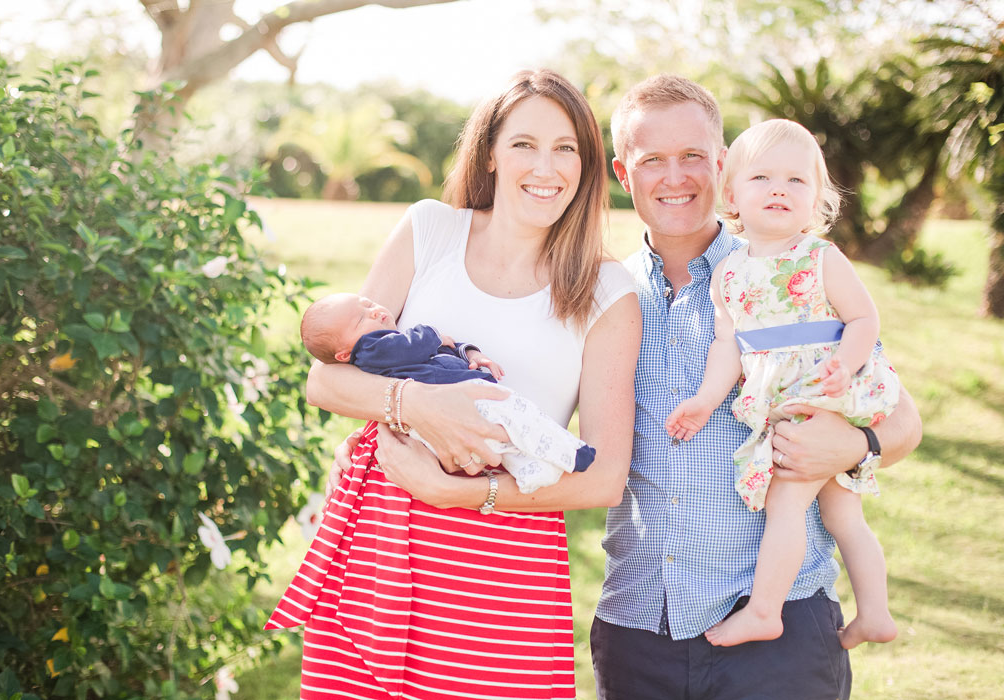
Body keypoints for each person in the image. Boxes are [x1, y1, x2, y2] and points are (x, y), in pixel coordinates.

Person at [266, 69, 641, 700]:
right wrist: (417, 404)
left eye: (566, 147)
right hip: (379, 540)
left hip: (502, 563)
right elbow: (325, 379)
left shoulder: (607, 291)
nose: (545, 166)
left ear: (587, 164)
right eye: (524, 143)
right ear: (491, 152)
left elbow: (604, 477)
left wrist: (456, 492)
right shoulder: (430, 229)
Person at [590, 74, 922, 700]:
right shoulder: (603, 295)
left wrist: (851, 448)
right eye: (652, 160)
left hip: (781, 630)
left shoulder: (790, 267)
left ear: (721, 165)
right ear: (623, 173)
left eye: (693, 156)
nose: (676, 177)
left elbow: (903, 421)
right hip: (638, 625)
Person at [664, 118, 899, 649]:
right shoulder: (727, 272)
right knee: (843, 513)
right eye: (762, 178)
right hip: (787, 397)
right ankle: (875, 614)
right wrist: (705, 400)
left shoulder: (820, 257)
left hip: (821, 394)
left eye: (796, 181)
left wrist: (846, 363)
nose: (778, 189)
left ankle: (764, 610)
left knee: (787, 503)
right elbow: (728, 346)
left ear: (817, 197)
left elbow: (864, 318)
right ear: (731, 193)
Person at [298, 291, 597, 493]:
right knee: (516, 412)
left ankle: (530, 470)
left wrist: (471, 354)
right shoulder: (371, 351)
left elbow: (444, 349)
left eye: (367, 303)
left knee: (500, 443)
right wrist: (432, 334)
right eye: (360, 319)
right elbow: (415, 346)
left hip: (460, 394)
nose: (374, 312)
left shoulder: (391, 343)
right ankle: (567, 450)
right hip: (459, 398)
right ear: (343, 354)